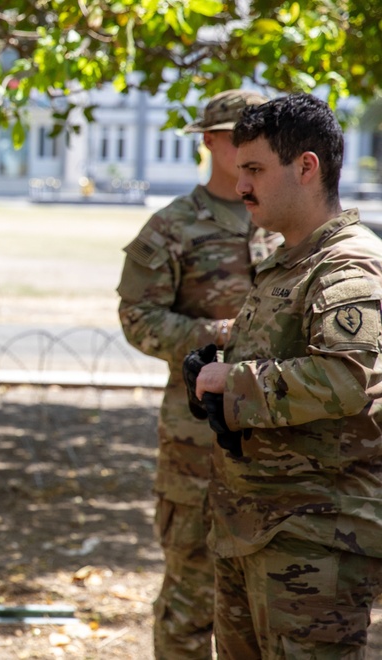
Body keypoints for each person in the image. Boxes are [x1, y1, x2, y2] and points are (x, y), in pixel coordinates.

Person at [192, 93, 382, 658]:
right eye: (240, 167)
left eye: (254, 169)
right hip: (252, 528)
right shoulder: (286, 261)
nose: (241, 183)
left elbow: (350, 379)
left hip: (317, 539)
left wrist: (235, 384)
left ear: (306, 166)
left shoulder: (347, 264)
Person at [117, 88, 277, 658]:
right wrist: (211, 335)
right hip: (196, 441)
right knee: (191, 601)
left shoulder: (288, 220)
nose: (251, 148)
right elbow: (137, 317)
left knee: (267, 610)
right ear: (209, 142)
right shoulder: (173, 227)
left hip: (279, 441)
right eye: (239, 137)